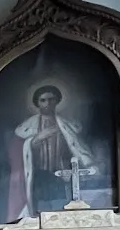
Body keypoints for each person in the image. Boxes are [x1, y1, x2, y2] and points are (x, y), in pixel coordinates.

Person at [6, 84, 94, 220]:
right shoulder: (27, 127)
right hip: (39, 177)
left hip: (62, 176)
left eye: (51, 99)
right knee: (39, 212)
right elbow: (17, 153)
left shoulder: (67, 125)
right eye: (43, 100)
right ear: (37, 103)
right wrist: (36, 139)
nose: (47, 103)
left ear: (57, 101)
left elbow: (77, 148)